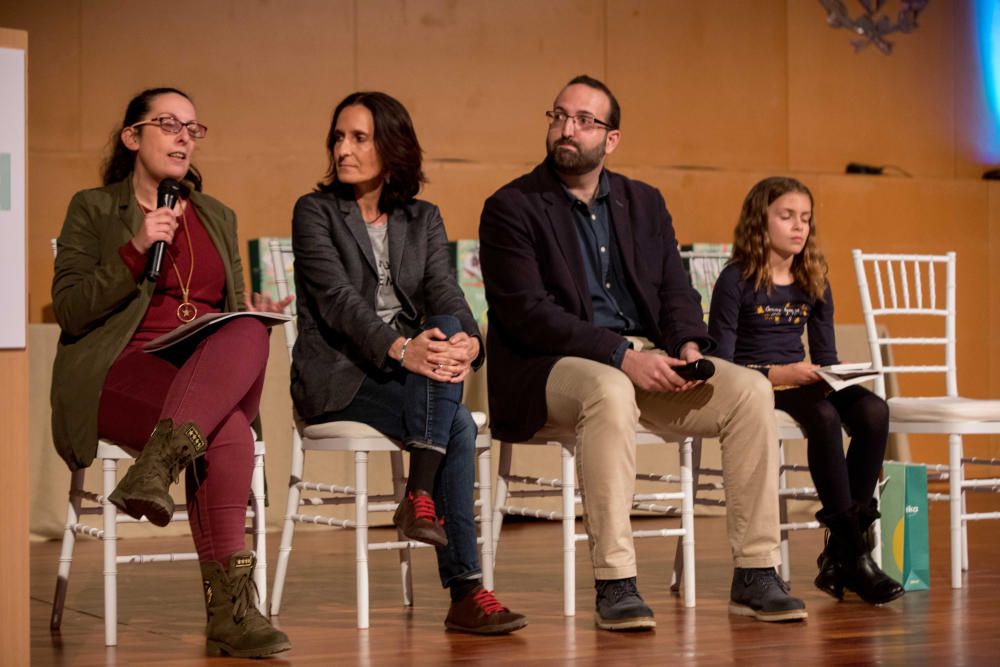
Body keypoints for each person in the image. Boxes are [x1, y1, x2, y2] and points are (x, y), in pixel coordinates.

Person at [479, 75, 808, 630]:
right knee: (607, 388)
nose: (567, 128)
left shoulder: (643, 202)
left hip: (644, 359)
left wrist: (686, 344)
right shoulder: (512, 206)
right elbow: (526, 314)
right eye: (560, 115)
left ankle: (756, 571)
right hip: (549, 368)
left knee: (749, 389)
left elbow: (674, 291)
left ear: (611, 140)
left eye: (585, 120)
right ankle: (616, 581)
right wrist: (621, 355)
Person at [51, 87, 292, 658]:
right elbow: (71, 309)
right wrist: (136, 248)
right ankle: (232, 614)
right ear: (133, 137)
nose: (185, 136)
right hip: (119, 369)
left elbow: (229, 311)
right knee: (227, 431)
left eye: (192, 127)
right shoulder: (94, 207)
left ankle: (155, 468)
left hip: (200, 374)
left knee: (248, 327)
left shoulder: (217, 215)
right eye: (169, 124)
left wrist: (254, 305)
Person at [289, 91, 527, 635]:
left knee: (445, 324)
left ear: (391, 148)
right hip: (340, 375)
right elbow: (338, 304)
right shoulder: (316, 212)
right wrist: (403, 349)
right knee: (459, 424)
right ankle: (465, 589)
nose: (342, 149)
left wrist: (468, 342)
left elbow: (447, 289)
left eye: (358, 138)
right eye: (338, 136)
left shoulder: (423, 218)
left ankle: (419, 498)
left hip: (412, 370)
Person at [708, 176, 905, 605]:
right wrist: (779, 374)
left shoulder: (812, 276)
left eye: (805, 219)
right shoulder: (736, 280)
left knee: (873, 410)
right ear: (761, 221)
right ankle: (855, 555)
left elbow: (826, 354)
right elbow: (722, 367)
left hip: (802, 377)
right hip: (757, 383)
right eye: (787, 217)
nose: (799, 227)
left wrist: (834, 373)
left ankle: (841, 551)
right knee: (824, 416)